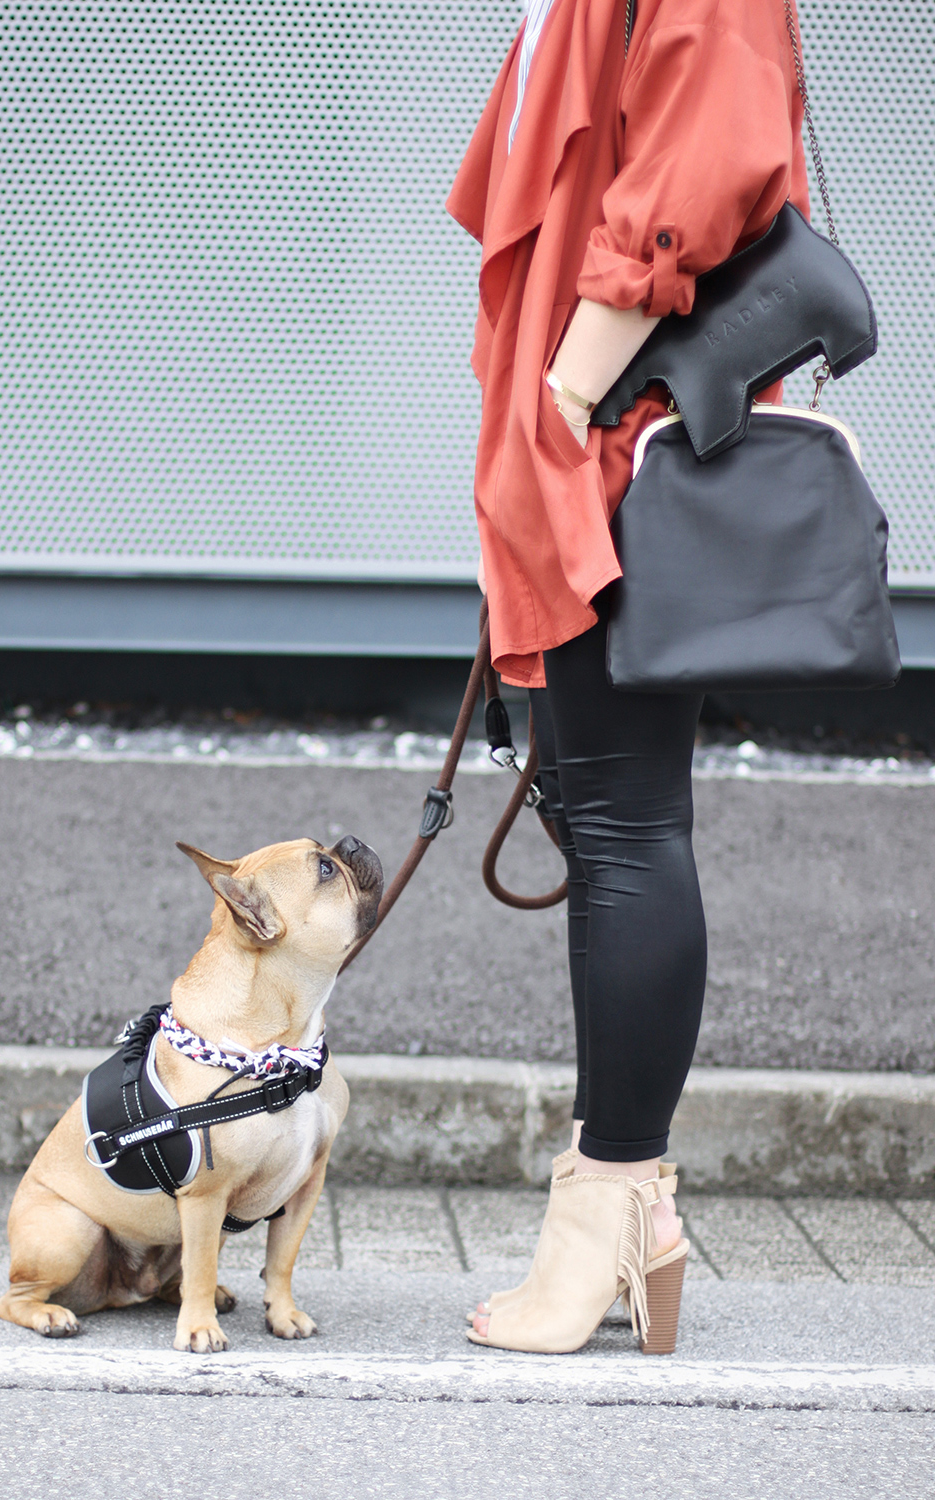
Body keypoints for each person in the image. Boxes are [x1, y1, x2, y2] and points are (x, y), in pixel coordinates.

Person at [447, 0, 810, 1354]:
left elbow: (699, 170)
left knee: (623, 823)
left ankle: (607, 1212)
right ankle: (631, 1205)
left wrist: (560, 403)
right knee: (598, 818)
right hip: (580, 439)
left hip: (613, 448)